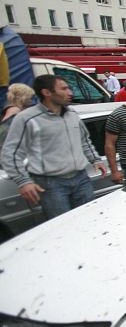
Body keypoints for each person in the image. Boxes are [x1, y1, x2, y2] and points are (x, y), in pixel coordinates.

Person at [0, 75, 107, 220]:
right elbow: (11, 153)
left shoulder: (71, 114)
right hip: (51, 184)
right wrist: (23, 181)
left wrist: (95, 159)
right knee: (61, 225)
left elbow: (84, 141)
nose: (70, 92)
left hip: (81, 178)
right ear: (47, 92)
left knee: (88, 219)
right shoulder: (27, 118)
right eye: (64, 88)